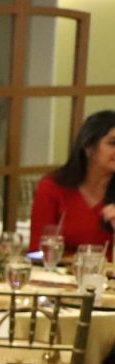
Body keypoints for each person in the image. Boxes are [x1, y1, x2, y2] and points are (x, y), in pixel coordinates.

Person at [29, 110, 115, 257]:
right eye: (113, 143)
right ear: (88, 147)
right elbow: (37, 251)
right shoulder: (52, 187)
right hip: (61, 270)